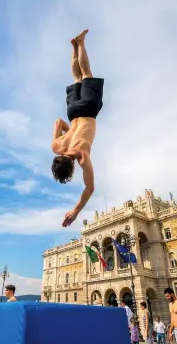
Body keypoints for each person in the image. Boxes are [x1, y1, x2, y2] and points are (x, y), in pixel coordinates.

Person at [51, 29, 103, 227]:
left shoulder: (82, 156)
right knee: (77, 79)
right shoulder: (56, 146)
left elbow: (89, 188)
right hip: (72, 113)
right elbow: (58, 123)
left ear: (72, 167)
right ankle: (74, 46)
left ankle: (80, 43)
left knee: (87, 75)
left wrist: (75, 212)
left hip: (89, 110)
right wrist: (68, 131)